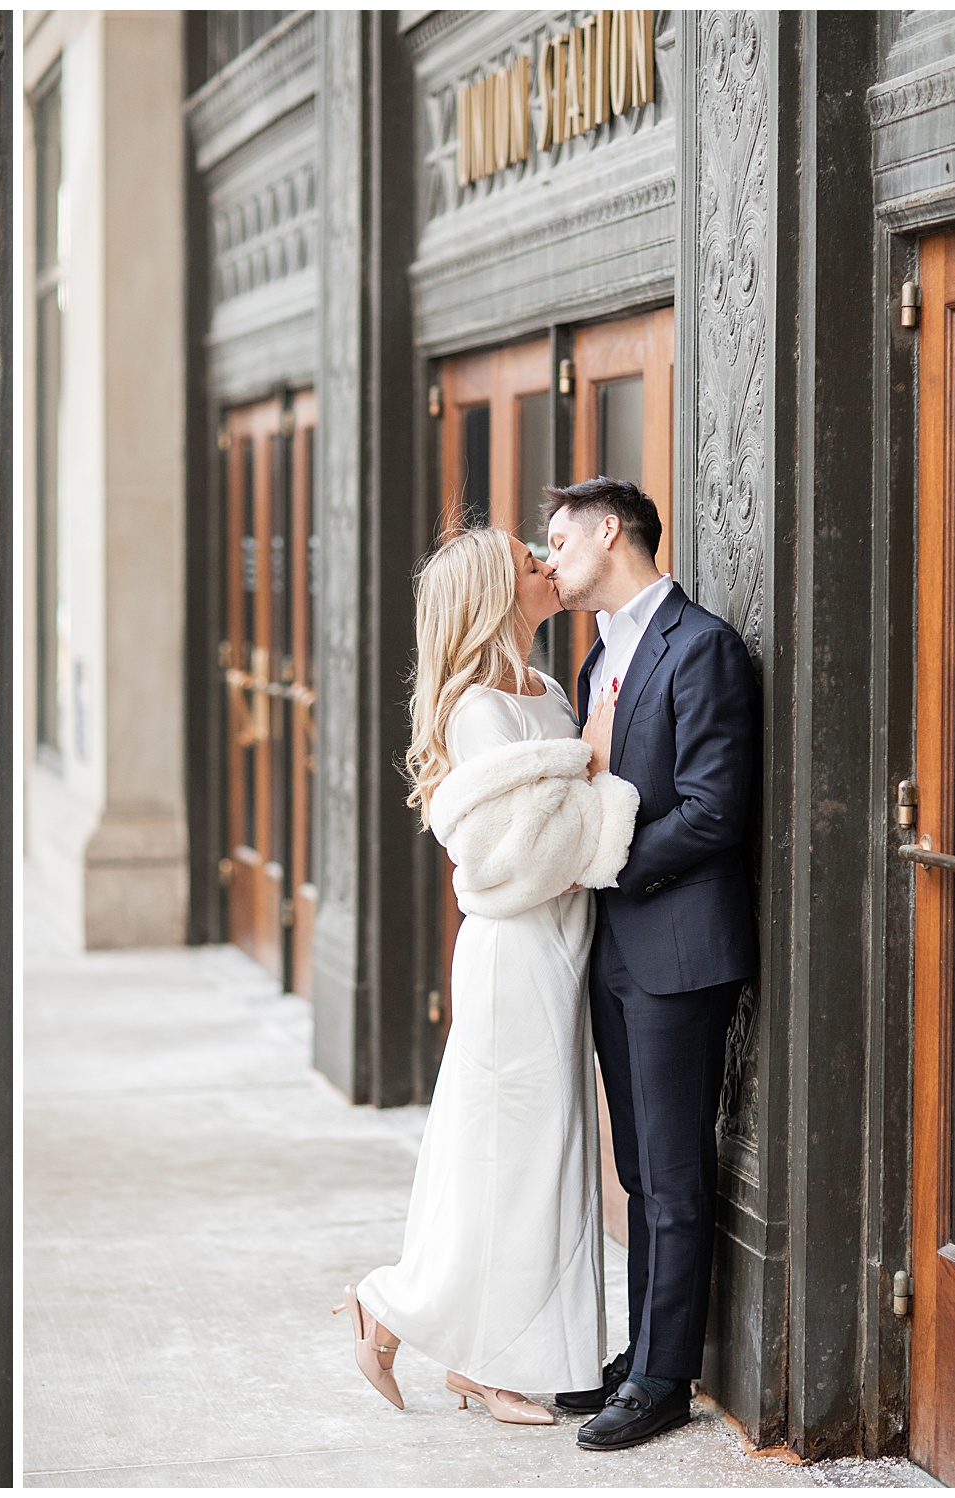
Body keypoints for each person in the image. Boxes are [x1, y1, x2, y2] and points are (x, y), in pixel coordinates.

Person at [346, 526, 639, 1426]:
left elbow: (558, 824)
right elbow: (509, 856)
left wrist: (581, 780)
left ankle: (434, 1332)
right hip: (513, 952)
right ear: (494, 593)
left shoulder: (546, 688)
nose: (547, 567)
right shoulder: (476, 709)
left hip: (562, 944)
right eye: (528, 561)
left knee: (536, 1153)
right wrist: (592, 767)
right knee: (515, 1155)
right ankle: (472, 1350)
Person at [542, 477, 758, 1451]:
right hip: (614, 952)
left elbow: (714, 806)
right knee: (636, 1167)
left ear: (608, 530)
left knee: (671, 1171)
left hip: (677, 949)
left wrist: (608, 861)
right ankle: (638, 1356)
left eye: (557, 540)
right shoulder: (596, 656)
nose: (549, 562)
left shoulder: (700, 644)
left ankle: (664, 1379)